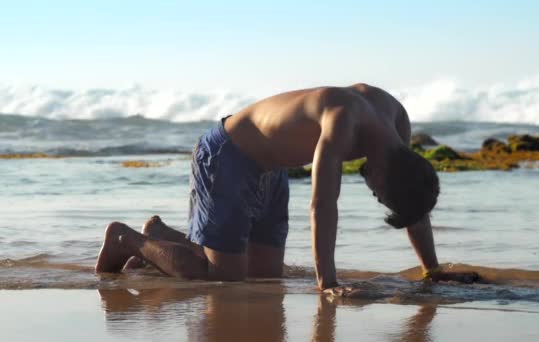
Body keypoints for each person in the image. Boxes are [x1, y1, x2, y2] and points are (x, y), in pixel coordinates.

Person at [95, 83, 479, 292]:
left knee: (264, 275)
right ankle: (128, 240)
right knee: (223, 278)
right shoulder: (344, 122)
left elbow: (414, 203)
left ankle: (160, 236)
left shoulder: (396, 122)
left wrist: (432, 270)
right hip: (230, 155)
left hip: (272, 169)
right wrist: (327, 283)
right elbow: (322, 206)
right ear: (384, 173)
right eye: (381, 196)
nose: (376, 196)